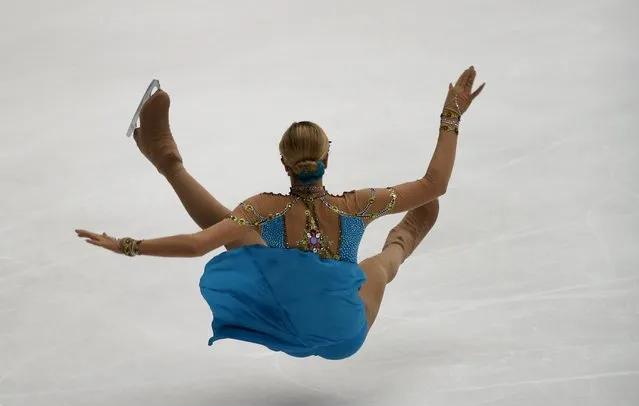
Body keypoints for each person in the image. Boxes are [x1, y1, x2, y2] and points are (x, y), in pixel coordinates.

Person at [76, 66, 485, 360]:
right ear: (328, 154)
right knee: (381, 265)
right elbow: (435, 185)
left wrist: (126, 245)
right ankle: (405, 236)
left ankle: (167, 161)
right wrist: (451, 115)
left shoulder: (264, 207)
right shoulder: (358, 205)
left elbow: (199, 244)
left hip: (287, 320)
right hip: (345, 335)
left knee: (234, 233)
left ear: (284, 162)